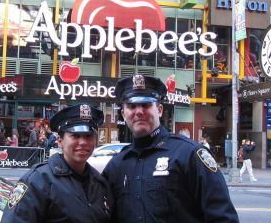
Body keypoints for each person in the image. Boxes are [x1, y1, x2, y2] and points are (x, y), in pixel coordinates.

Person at [102, 74, 238, 222]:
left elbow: (223, 218)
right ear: (123, 113)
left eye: (146, 104)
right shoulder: (116, 166)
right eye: (132, 106)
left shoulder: (190, 155)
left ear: (159, 110)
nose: (139, 111)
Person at [0, 104, 113, 222]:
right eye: (75, 136)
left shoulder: (100, 183)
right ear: (60, 141)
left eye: (88, 136)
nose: (83, 142)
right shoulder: (38, 181)